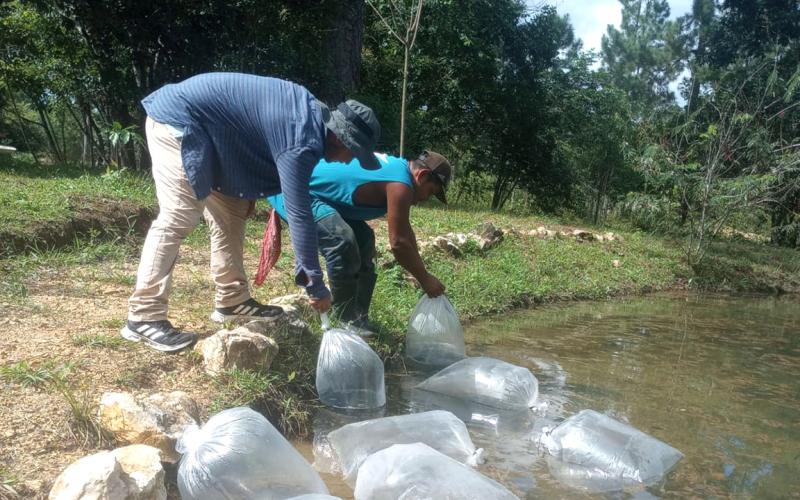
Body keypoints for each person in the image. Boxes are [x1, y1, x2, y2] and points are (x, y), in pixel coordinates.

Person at [121, 72, 381, 352]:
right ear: (342, 140)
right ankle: (143, 315)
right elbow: (299, 213)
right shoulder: (302, 138)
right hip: (179, 120)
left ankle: (232, 300)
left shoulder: (310, 121)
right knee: (179, 216)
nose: (348, 162)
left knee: (233, 212)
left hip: (213, 135)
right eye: (354, 154)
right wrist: (315, 283)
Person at [267, 150, 451, 334]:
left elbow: (406, 233)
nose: (426, 198)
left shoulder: (400, 174)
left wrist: (421, 272)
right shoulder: (401, 184)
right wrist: (425, 280)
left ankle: (358, 319)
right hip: (292, 188)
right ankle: (345, 323)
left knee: (364, 240)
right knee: (342, 241)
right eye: (430, 192)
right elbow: (399, 243)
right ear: (422, 175)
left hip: (321, 196)